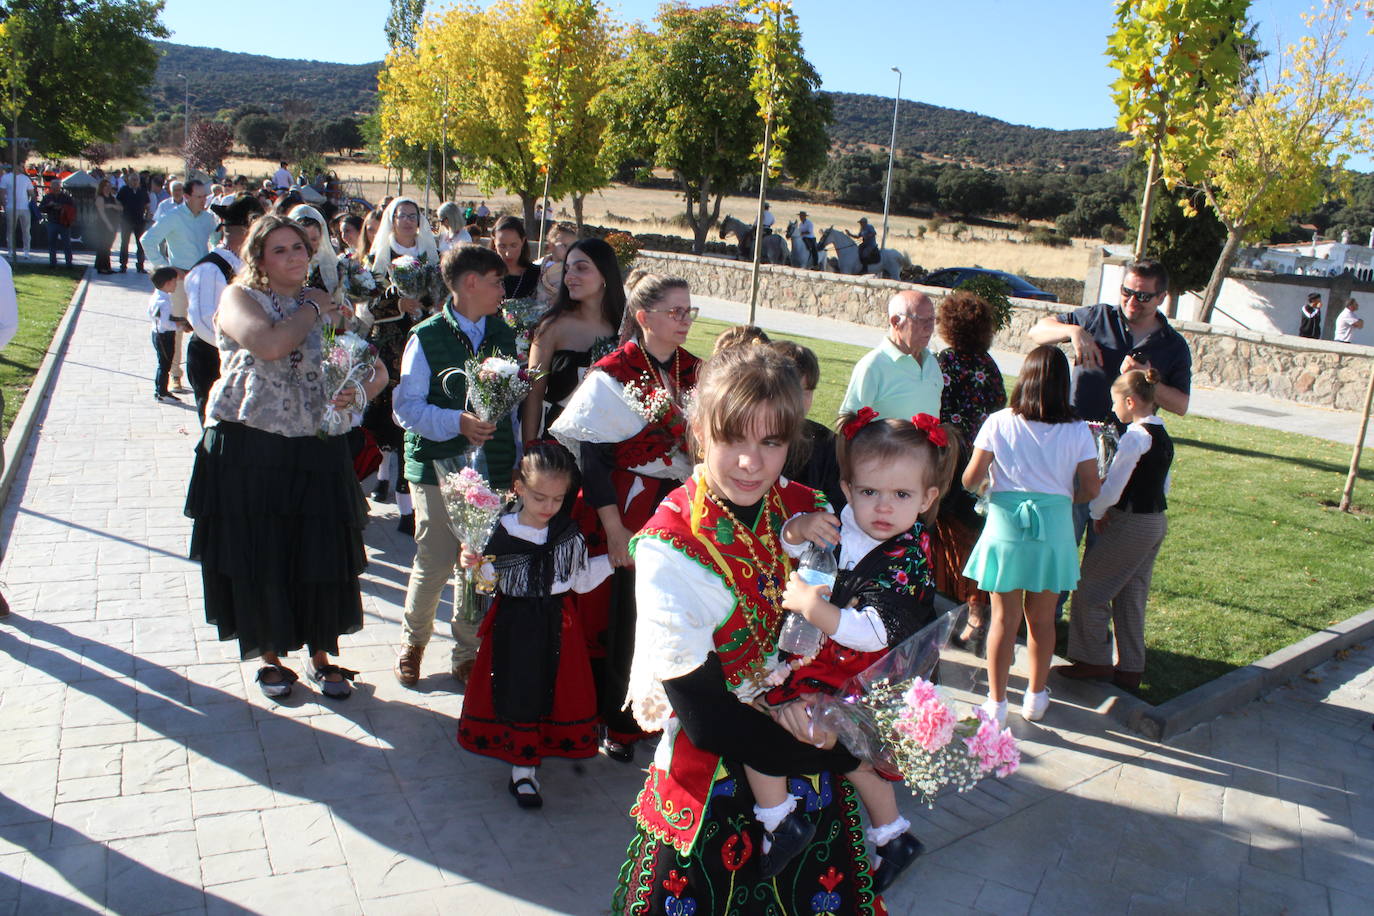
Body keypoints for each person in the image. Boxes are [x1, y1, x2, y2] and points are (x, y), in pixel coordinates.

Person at [613, 344, 883, 915]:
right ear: (700, 432)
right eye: (733, 438)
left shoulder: (807, 508)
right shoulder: (671, 548)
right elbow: (707, 719)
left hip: (807, 756)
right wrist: (843, 755)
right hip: (720, 780)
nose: (751, 464)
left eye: (772, 442)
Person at [750, 410, 954, 889]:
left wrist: (810, 606)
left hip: (865, 675)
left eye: (901, 495)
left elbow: (872, 632)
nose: (883, 507)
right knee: (850, 756)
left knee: (763, 719)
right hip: (831, 661)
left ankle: (779, 821)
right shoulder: (845, 523)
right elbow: (799, 548)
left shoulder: (908, 559)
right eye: (869, 492)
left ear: (927, 499)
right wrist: (798, 529)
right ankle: (891, 834)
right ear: (847, 489)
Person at [185, 215, 385, 700]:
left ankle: (321, 655)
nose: (295, 256)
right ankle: (270, 658)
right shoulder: (239, 298)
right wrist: (315, 308)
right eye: (280, 250)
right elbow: (272, 344)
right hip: (250, 448)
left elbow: (374, 368)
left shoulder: (325, 306)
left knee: (318, 552)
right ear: (258, 258)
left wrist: (353, 393)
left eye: (299, 247)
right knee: (262, 551)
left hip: (315, 447)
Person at [550, 271, 701, 763]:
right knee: (618, 616)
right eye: (675, 312)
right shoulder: (614, 373)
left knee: (668, 613)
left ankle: (664, 712)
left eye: (688, 312)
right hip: (624, 506)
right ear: (644, 318)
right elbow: (591, 458)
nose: (684, 321)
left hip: (678, 505)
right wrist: (615, 528)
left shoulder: (697, 373)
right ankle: (616, 720)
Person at [455, 442, 613, 808]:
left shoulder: (567, 533)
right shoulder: (498, 529)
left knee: (553, 690)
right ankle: (522, 770)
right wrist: (473, 561)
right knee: (519, 690)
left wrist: (617, 559)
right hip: (513, 626)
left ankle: (539, 750)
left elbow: (581, 580)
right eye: (540, 497)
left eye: (558, 499)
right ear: (519, 488)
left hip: (559, 626)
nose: (549, 507)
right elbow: (486, 584)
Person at [392, 244, 517, 688]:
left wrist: (516, 459)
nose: (503, 290)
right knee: (437, 559)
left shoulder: (505, 333)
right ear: (470, 283)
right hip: (435, 465)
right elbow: (405, 407)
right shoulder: (426, 336)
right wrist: (456, 422)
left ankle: (468, 651)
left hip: (493, 465)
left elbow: (513, 409)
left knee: (479, 561)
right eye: (496, 281)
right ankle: (414, 643)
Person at [961, 345, 1101, 726]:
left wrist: (990, 488)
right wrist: (1063, 497)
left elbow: (970, 479)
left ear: (1025, 378)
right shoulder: (1078, 430)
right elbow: (1091, 487)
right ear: (1063, 384)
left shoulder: (998, 422)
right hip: (1053, 528)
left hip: (1006, 525)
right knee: (1042, 620)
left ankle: (996, 700)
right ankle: (1036, 697)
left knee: (1003, 619)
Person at [1059, 369, 1173, 692]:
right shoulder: (1162, 434)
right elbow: (1164, 482)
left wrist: (1097, 512)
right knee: (1130, 593)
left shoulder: (1135, 437)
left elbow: (1113, 486)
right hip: (1155, 520)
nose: (1113, 410)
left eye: (1115, 403)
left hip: (1132, 520)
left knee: (1090, 588)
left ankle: (1094, 660)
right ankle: (1131, 667)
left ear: (1130, 401)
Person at [1028, 258, 1191, 423]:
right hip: (1077, 433)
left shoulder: (1173, 345)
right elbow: (1037, 332)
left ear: (1161, 298)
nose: (1132, 302)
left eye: (1142, 296)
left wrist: (1147, 379)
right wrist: (1073, 331)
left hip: (1130, 442)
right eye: (1126, 292)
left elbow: (1181, 406)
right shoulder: (1097, 317)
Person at [934, 290, 1007, 656]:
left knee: (951, 542)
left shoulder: (942, 364)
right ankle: (976, 617)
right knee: (974, 541)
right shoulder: (989, 367)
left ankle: (965, 618)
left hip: (950, 462)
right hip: (983, 464)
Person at [364, 196, 439, 530]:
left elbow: (440, 293)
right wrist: (398, 303)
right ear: (391, 220)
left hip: (422, 342)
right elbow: (366, 302)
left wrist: (426, 304)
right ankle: (395, 493)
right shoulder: (379, 257)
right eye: (401, 215)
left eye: (413, 215)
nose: (408, 221)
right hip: (391, 347)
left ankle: (404, 499)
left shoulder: (429, 255)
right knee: (388, 420)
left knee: (412, 416)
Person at [522, 236, 623, 440]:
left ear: (605, 274)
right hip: (557, 444)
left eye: (581, 268)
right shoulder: (552, 327)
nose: (569, 277)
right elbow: (534, 396)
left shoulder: (624, 326)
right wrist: (529, 450)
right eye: (567, 269)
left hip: (611, 446)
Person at [186, 195, 265, 422]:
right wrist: (244, 350)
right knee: (216, 427)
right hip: (213, 359)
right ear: (246, 232)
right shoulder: (211, 268)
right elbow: (202, 323)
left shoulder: (249, 266)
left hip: (246, 361)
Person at [142, 179, 217, 393]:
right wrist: (166, 269)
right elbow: (147, 240)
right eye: (200, 197)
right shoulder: (173, 217)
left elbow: (216, 240)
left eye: (206, 197)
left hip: (202, 279)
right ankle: (174, 374)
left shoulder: (208, 218)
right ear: (186, 197)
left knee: (205, 324)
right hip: (179, 280)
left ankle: (206, 372)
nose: (204, 201)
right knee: (176, 328)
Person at [839, 290, 943, 420]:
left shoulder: (931, 362)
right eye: (921, 320)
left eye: (932, 320)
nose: (929, 328)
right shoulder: (872, 366)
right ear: (895, 322)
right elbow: (848, 424)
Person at [772, 339, 847, 512]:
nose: (800, 401)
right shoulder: (751, 437)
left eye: (807, 392)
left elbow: (839, 505)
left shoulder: (827, 445)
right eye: (792, 391)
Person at [148, 268, 182, 403]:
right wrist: (178, 326)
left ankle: (160, 390)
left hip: (156, 333)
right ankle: (162, 392)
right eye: (174, 282)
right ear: (167, 283)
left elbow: (156, 316)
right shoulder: (164, 302)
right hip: (164, 336)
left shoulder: (156, 296)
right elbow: (165, 323)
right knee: (165, 365)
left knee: (162, 364)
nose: (176, 285)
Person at [493, 215, 538, 301]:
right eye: (502, 246)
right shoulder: (484, 274)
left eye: (514, 246)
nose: (508, 253)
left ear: (523, 241)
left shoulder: (536, 275)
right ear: (494, 243)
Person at [535, 222, 579, 307]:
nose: (570, 250)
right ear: (551, 246)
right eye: (565, 246)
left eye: (573, 247)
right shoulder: (542, 263)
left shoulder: (572, 269)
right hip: (539, 305)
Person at [115, 172, 151, 273]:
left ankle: (140, 265)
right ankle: (123, 265)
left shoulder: (142, 191)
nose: (135, 182)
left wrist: (147, 214)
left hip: (140, 220)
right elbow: (118, 202)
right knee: (124, 243)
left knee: (140, 244)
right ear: (129, 180)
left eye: (136, 180)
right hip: (126, 220)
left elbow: (147, 204)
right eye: (133, 179)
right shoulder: (124, 190)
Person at [39, 181, 76, 267]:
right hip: (52, 222)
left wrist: (61, 207)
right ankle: (52, 263)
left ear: (60, 187)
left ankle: (69, 263)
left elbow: (73, 209)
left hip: (64, 223)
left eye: (57, 186)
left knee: (66, 244)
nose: (55, 188)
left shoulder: (66, 197)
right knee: (52, 244)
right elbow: (41, 208)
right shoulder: (48, 197)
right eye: (53, 187)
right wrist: (49, 206)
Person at [2, 165, 35, 259]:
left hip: (24, 208)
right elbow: (2, 192)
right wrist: (5, 205)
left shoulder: (25, 178)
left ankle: (26, 252)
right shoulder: (6, 177)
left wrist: (33, 203)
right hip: (11, 207)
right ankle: (10, 251)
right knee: (10, 230)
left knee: (26, 230)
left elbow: (31, 192)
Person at [90, 179, 122, 275]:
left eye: (109, 186)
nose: (108, 188)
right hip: (103, 225)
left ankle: (107, 266)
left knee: (108, 246)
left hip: (113, 223)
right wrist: (109, 225)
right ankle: (102, 267)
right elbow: (101, 213)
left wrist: (111, 206)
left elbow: (120, 207)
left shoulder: (112, 198)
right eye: (106, 186)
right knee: (103, 246)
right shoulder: (100, 198)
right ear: (102, 187)